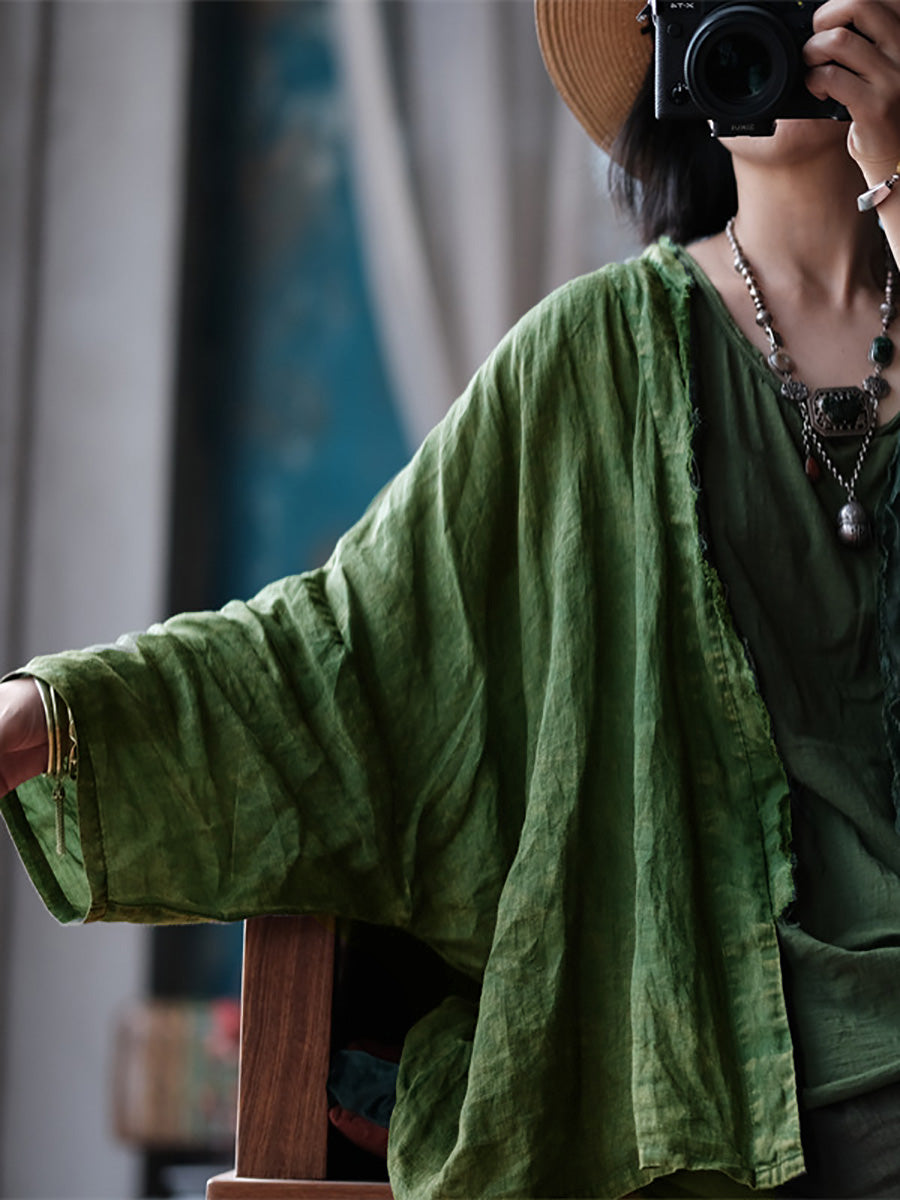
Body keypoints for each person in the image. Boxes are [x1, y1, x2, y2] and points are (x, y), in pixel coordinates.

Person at [4, 0, 900, 1195]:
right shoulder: (593, 357)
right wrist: (45, 716)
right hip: (730, 1056)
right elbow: (338, 651)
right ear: (665, 41)